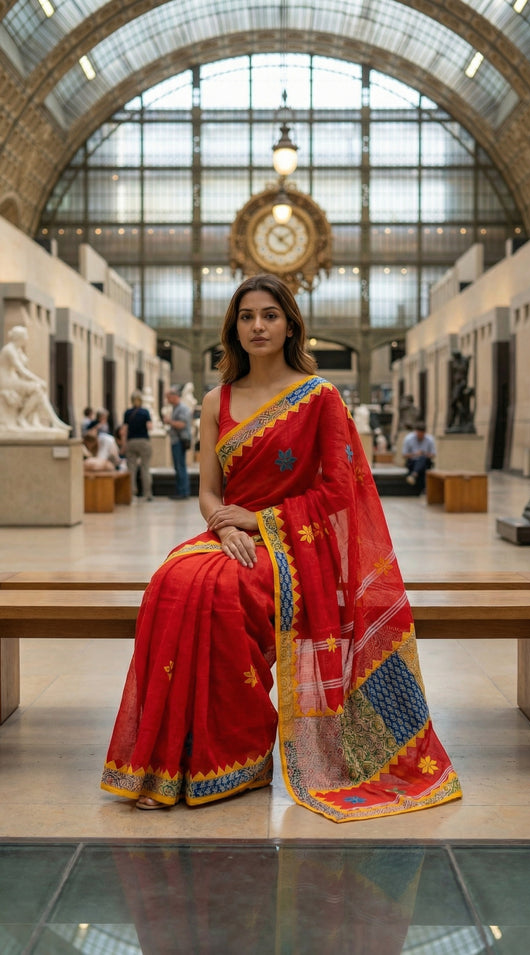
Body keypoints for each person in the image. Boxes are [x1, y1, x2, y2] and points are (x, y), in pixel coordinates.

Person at [101, 274, 461, 822]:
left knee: (222, 592)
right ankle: (170, 759)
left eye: (269, 315)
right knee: (170, 585)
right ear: (233, 327)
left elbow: (339, 493)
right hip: (226, 534)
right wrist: (224, 527)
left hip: (293, 543)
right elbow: (208, 491)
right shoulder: (214, 400)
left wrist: (259, 521)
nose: (257, 326)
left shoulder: (319, 397)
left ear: (290, 324)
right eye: (246, 316)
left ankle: (238, 756)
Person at [0, 325, 70, 432]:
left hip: (14, 380)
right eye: (26, 335)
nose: (27, 338)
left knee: (39, 390)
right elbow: (21, 370)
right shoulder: (9, 350)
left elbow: (23, 369)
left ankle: (51, 421)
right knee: (37, 388)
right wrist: (38, 380)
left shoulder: (17, 350)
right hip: (6, 382)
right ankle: (22, 417)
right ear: (20, 337)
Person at [163, 385, 192, 499]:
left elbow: (182, 424)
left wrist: (169, 421)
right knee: (178, 466)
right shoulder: (175, 408)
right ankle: (180, 490)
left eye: (168, 397)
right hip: (176, 440)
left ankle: (183, 491)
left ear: (174, 396)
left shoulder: (182, 408)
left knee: (180, 466)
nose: (167, 400)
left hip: (180, 441)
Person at [123, 390, 153, 501]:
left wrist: (124, 444)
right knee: (145, 468)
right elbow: (150, 427)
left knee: (131, 469)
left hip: (131, 441)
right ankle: (147, 494)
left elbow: (124, 430)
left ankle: (131, 493)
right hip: (143, 441)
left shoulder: (127, 413)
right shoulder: (145, 412)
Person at [402, 420, 436, 493]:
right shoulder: (408, 439)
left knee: (423, 458)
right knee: (421, 461)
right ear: (416, 432)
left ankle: (414, 474)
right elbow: (404, 455)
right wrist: (415, 454)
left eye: (422, 434)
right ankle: (416, 475)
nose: (420, 436)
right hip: (412, 462)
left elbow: (433, 454)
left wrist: (424, 453)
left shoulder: (430, 439)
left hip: (425, 462)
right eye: (418, 434)